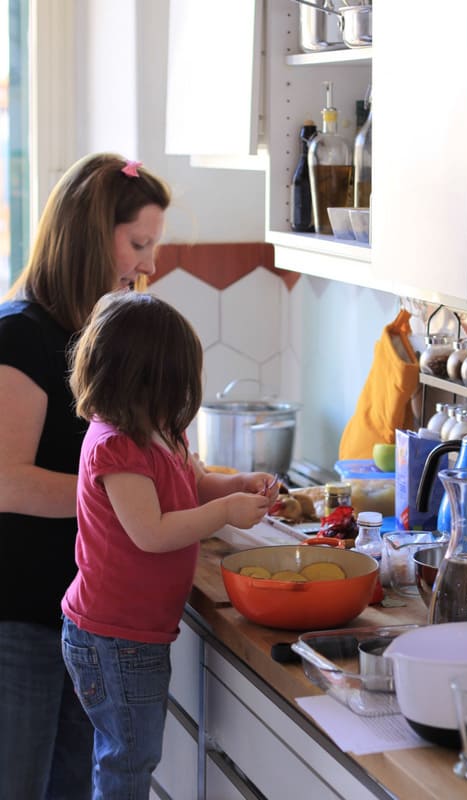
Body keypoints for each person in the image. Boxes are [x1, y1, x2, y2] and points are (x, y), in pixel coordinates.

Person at [0, 153, 171, 800]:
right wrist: (125, 505)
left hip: (81, 624)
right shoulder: (20, 336)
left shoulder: (90, 336)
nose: (147, 264)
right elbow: (6, 481)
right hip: (19, 618)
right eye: (138, 244)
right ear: (90, 235)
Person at [60, 291, 277, 798]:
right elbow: (151, 531)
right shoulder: (116, 445)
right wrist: (224, 514)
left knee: (126, 755)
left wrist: (236, 485)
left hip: (131, 633)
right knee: (128, 762)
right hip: (114, 637)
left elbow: (189, 488)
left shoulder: (161, 431)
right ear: (146, 380)